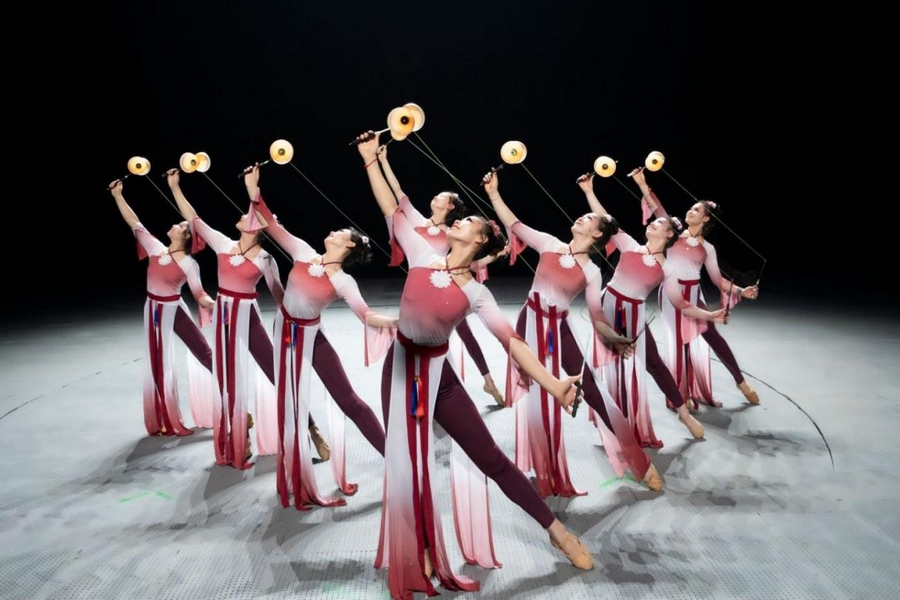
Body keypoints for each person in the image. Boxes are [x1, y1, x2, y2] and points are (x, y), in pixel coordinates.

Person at [358, 131, 592, 600]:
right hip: (400, 371)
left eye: (467, 221)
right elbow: (393, 208)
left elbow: (513, 343)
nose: (458, 221)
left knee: (490, 458)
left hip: (440, 380)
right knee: (406, 465)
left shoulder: (476, 293)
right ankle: (423, 547)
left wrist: (553, 385)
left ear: (481, 239)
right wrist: (369, 159)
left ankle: (557, 532)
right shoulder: (423, 254)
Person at [482, 169, 663, 497]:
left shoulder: (592, 271)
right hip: (529, 323)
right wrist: (494, 193)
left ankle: (640, 461)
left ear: (598, 234)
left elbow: (597, 317)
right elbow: (515, 225)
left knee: (593, 390)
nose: (581, 218)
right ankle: (547, 470)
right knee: (539, 399)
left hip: (560, 329)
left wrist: (614, 337)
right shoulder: (550, 243)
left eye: (589, 219)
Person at [242, 163, 397, 510]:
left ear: (348, 244)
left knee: (349, 400)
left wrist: (399, 321)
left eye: (341, 232)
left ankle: (395, 459)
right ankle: (297, 474)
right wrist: (254, 188)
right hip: (284, 331)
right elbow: (271, 224)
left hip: (313, 336)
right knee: (290, 405)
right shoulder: (303, 251)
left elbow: (367, 316)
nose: (333, 230)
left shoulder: (343, 281)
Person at [166, 169, 330, 470]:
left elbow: (280, 297)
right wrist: (175, 187)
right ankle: (241, 433)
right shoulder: (223, 244)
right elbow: (194, 219)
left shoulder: (266, 260)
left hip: (249, 318)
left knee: (276, 374)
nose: (241, 216)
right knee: (227, 378)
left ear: (256, 227)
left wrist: (295, 323)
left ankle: (311, 426)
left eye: (247, 215)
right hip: (224, 317)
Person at [579, 173, 727, 448]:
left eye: (658, 222)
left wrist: (709, 315)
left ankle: (684, 414)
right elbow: (605, 219)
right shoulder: (629, 245)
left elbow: (682, 304)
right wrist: (589, 191)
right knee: (610, 366)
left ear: (669, 234)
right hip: (607, 306)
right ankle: (614, 421)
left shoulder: (667, 268)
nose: (652, 223)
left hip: (633, 314)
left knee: (655, 364)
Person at [374, 143, 507, 407]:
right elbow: (397, 193)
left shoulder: (452, 233)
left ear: (450, 206)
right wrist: (382, 160)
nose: (435, 197)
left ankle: (488, 381)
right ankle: (431, 387)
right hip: (423, 286)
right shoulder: (417, 221)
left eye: (441, 196)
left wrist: (496, 255)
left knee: (467, 336)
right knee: (423, 340)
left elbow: (469, 263)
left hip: (448, 289)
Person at [630, 167, 761, 407]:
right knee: (679, 343)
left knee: (713, 337)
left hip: (693, 294)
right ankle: (682, 394)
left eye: (696, 210)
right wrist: (641, 183)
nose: (690, 211)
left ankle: (741, 382)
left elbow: (718, 280)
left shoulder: (707, 248)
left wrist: (742, 291)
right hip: (670, 295)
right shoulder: (673, 235)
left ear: (706, 219)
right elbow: (657, 209)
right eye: (691, 208)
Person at [109, 178, 217, 437]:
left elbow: (200, 294)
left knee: (204, 352)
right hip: (153, 310)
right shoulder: (156, 249)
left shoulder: (189, 264)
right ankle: (163, 417)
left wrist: (217, 304)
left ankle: (232, 397)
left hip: (174, 309)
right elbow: (134, 222)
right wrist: (118, 195)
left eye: (180, 225)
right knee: (157, 364)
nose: (175, 224)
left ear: (185, 237)